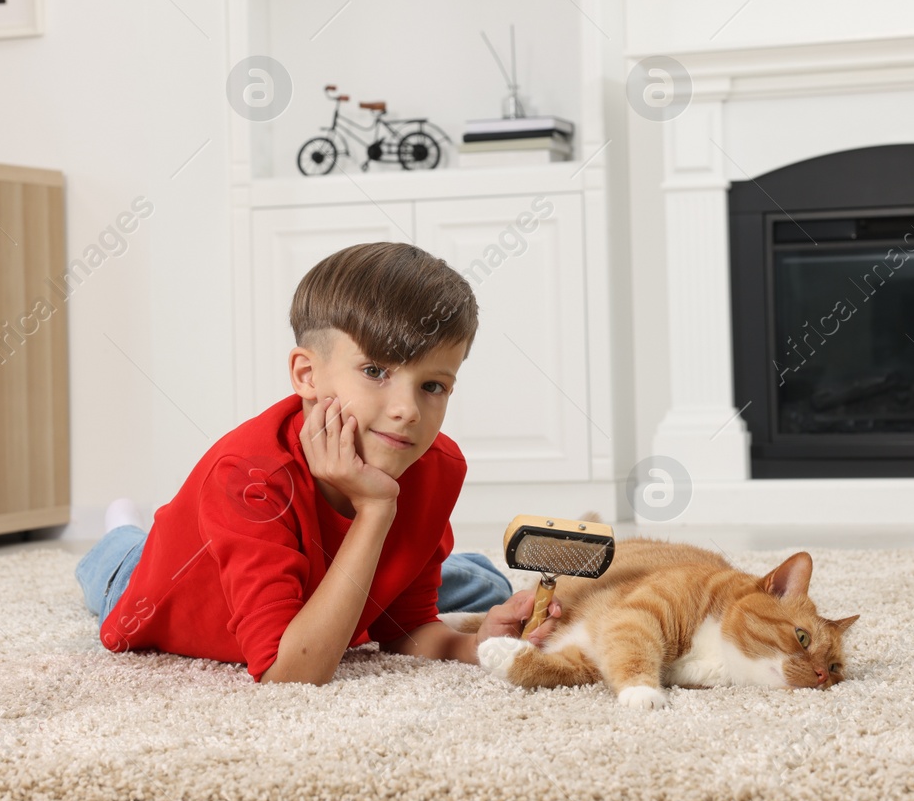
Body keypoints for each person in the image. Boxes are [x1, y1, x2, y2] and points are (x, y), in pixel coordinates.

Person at [75, 241, 563, 684]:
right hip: (156, 580)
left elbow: (405, 630)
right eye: (375, 371)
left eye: (432, 386)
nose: (408, 410)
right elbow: (290, 675)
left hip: (320, 579)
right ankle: (122, 528)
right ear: (307, 374)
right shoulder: (247, 478)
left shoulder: (436, 465)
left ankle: (467, 571)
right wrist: (376, 510)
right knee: (122, 559)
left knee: (485, 585)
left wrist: (476, 645)